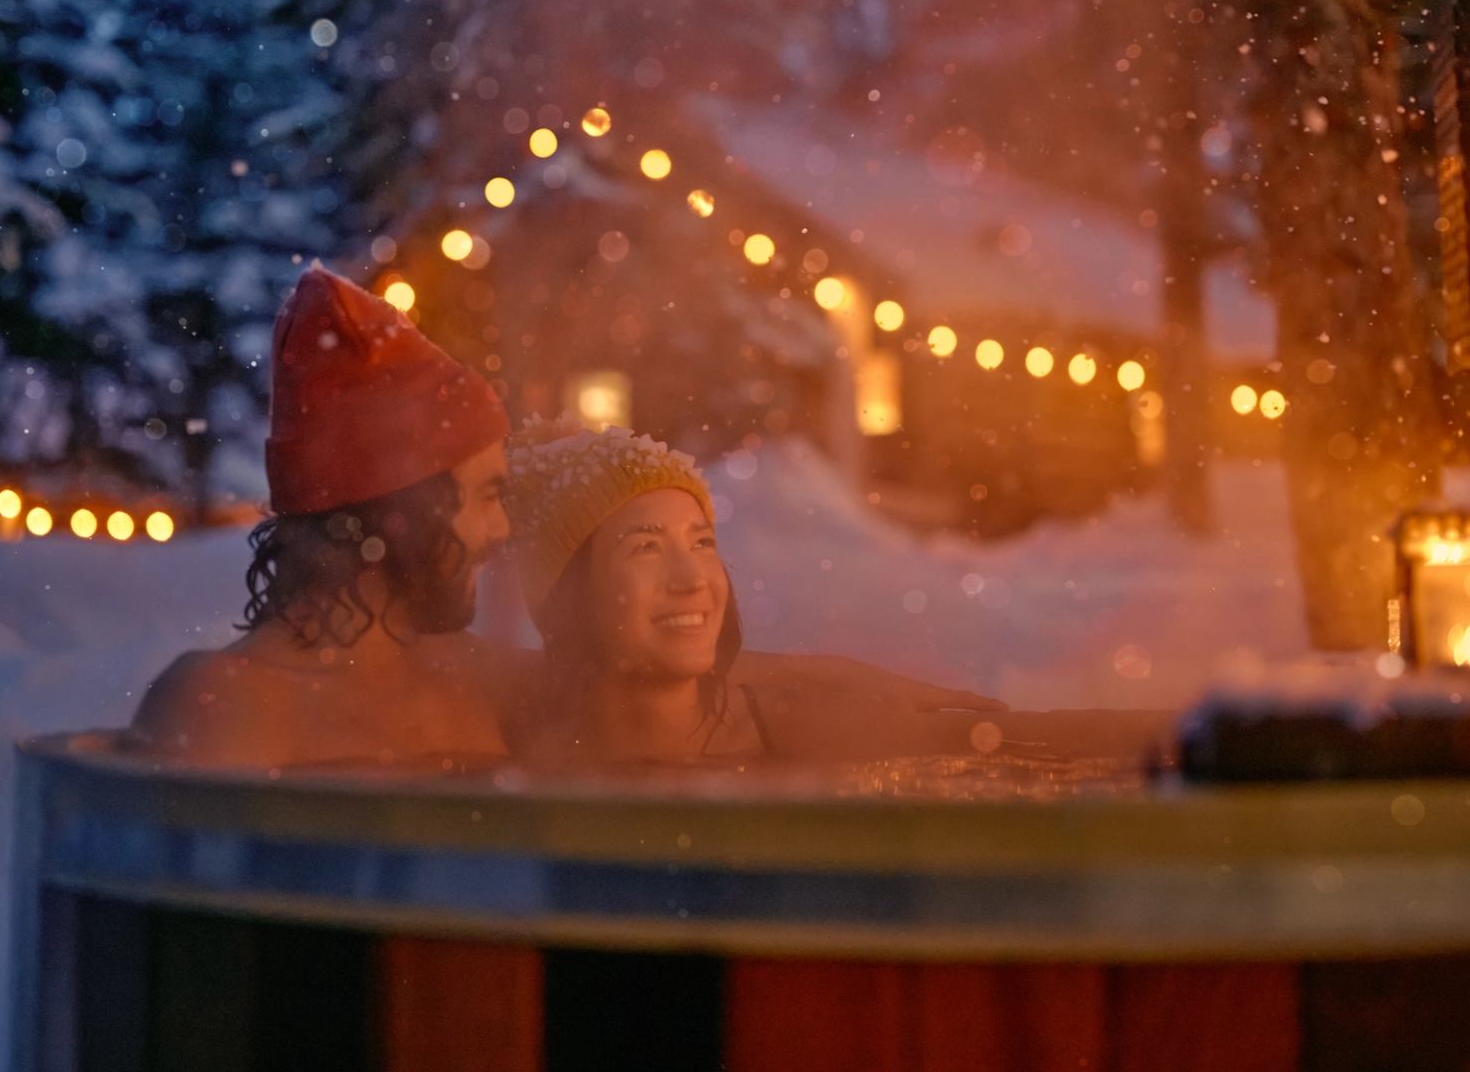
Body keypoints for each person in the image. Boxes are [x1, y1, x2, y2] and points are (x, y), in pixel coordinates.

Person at [129, 264, 513, 769]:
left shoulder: (483, 684)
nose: (503, 530)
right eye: (488, 495)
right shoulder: (232, 704)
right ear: (406, 507)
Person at [498, 419, 1007, 765]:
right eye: (646, 549)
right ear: (568, 598)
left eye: (702, 543)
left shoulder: (794, 732)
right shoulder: (503, 737)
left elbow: (1034, 745)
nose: (693, 579)